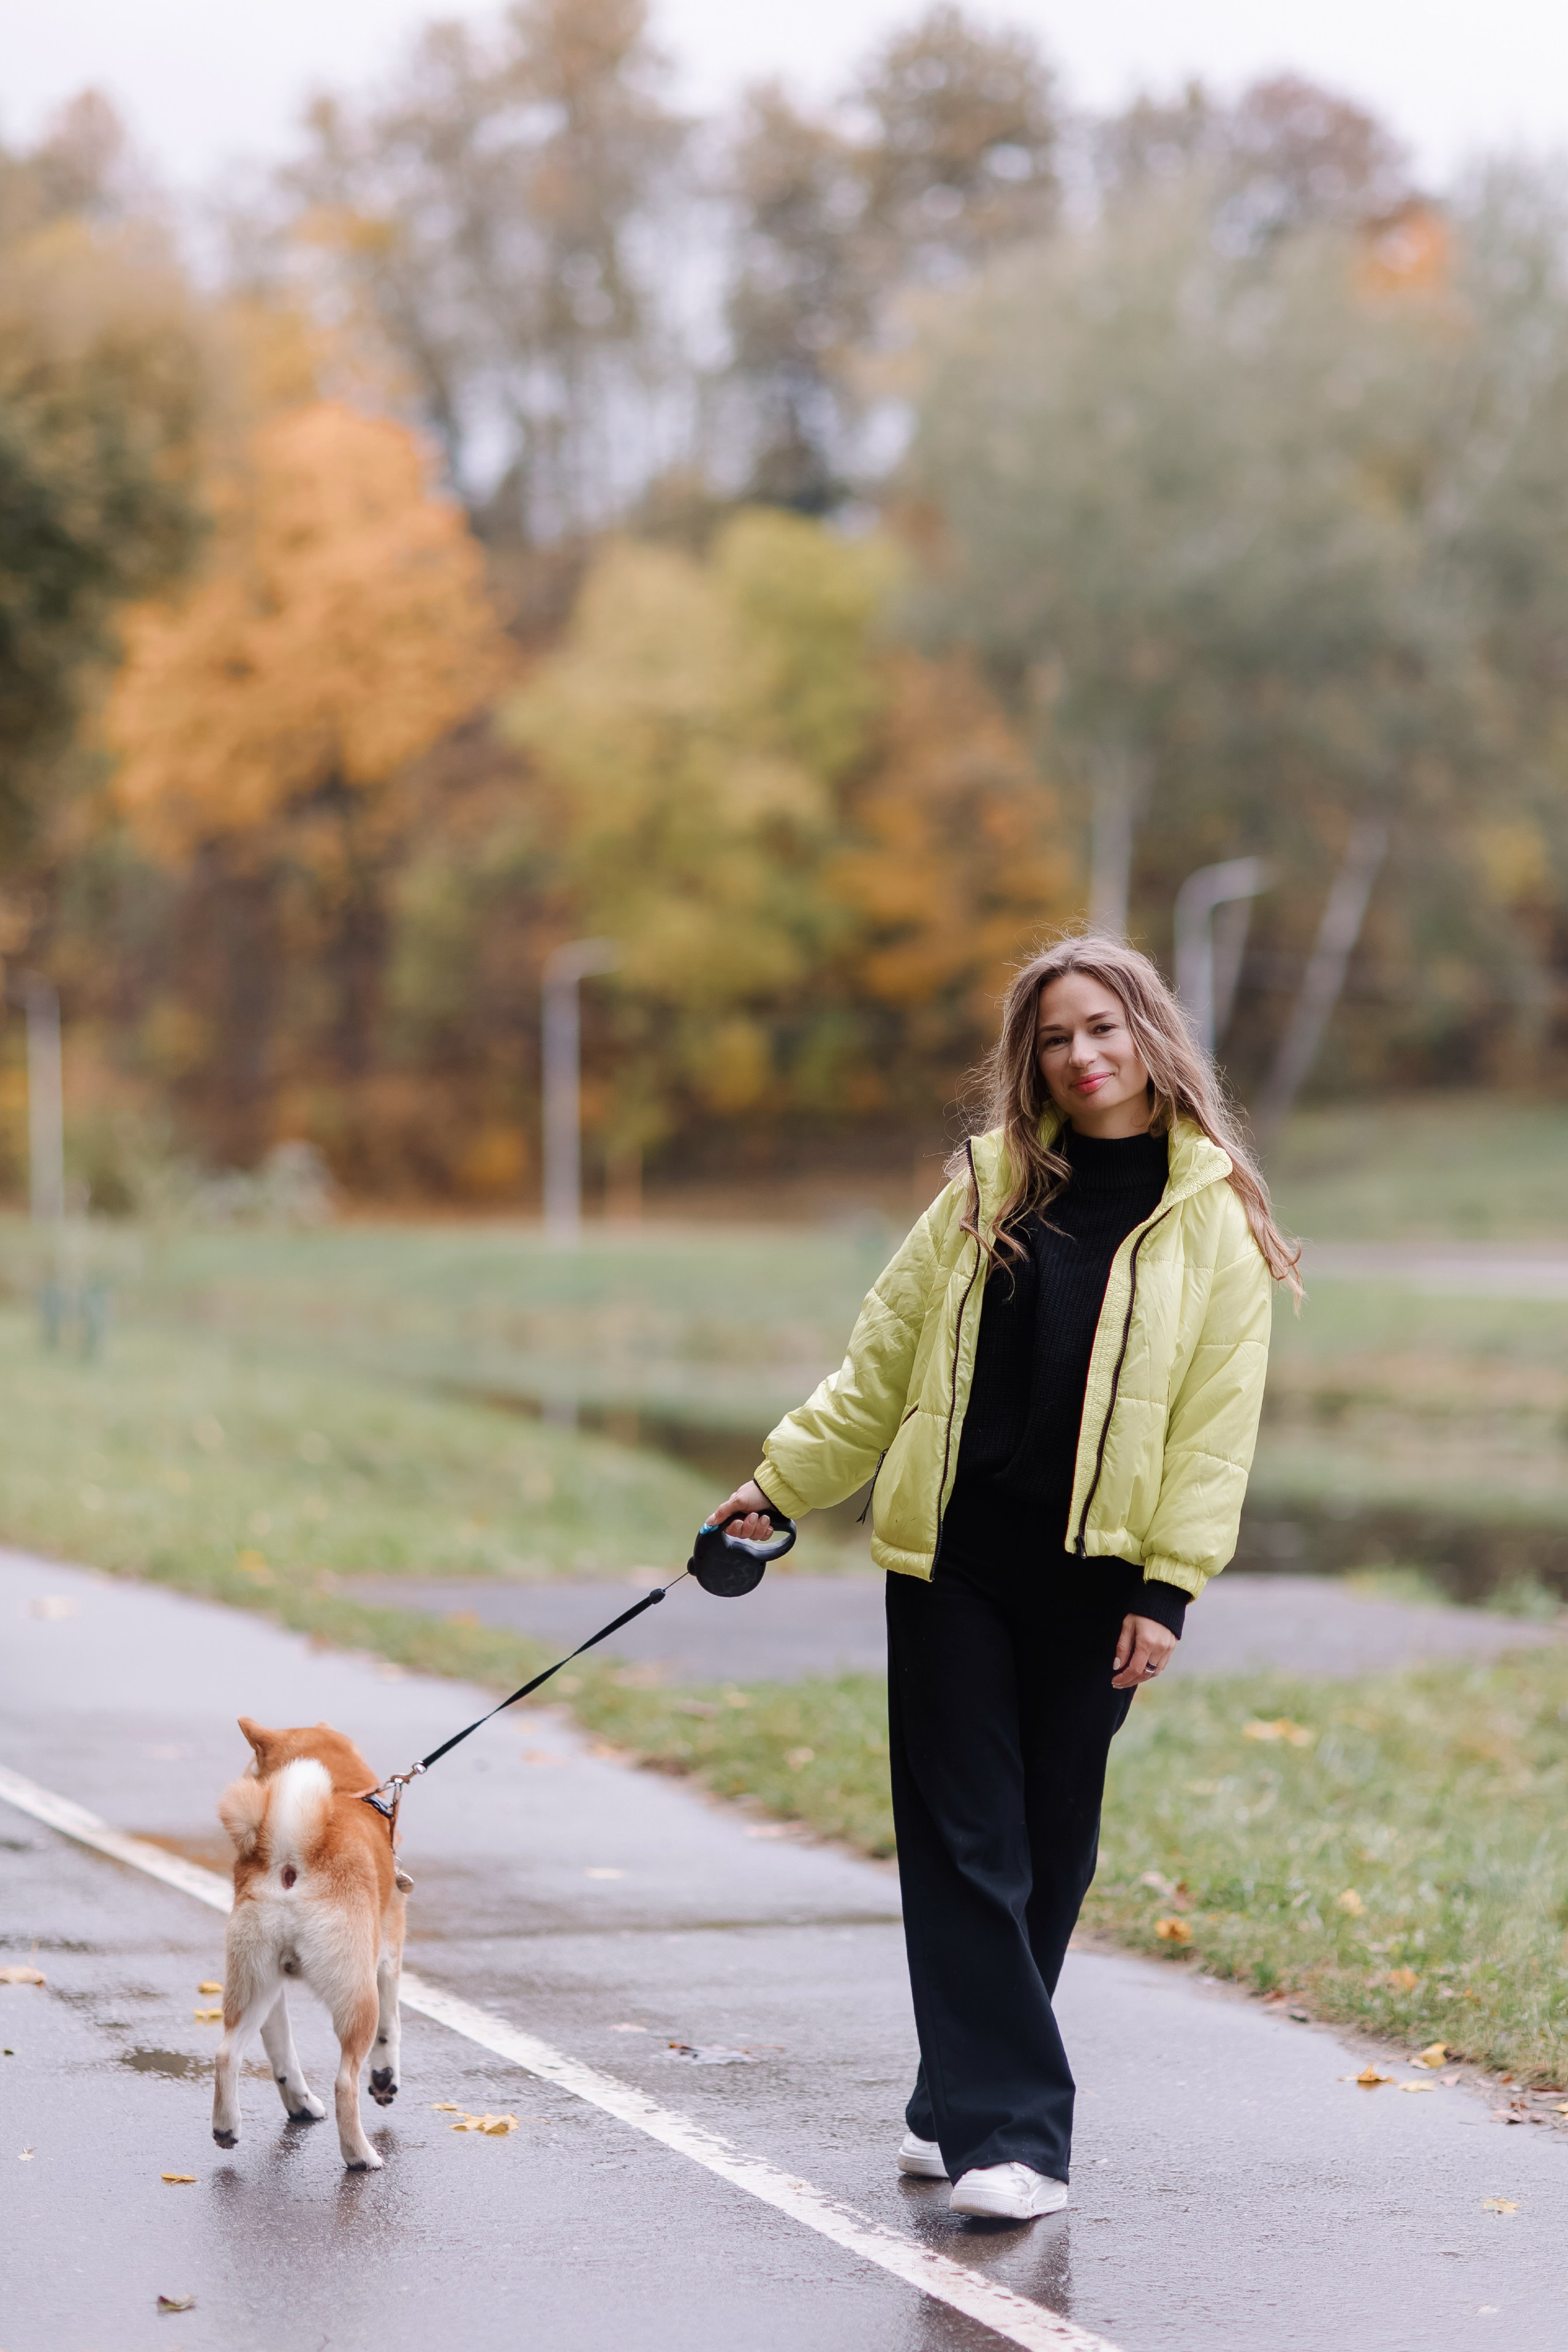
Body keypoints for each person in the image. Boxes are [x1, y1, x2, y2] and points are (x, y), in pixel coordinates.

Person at [706, 933, 1300, 2222]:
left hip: (1098, 1581)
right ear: (1026, 1060)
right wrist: (782, 1483)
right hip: (955, 1564)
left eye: (1100, 1028)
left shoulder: (1212, 1217)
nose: (1079, 1056)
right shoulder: (984, 1187)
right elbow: (878, 1365)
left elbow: (1213, 1427)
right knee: (965, 1840)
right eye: (1051, 1036)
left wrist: (1168, 1591)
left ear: (1148, 1036)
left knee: (1047, 1848)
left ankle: (952, 2089)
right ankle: (1011, 2135)